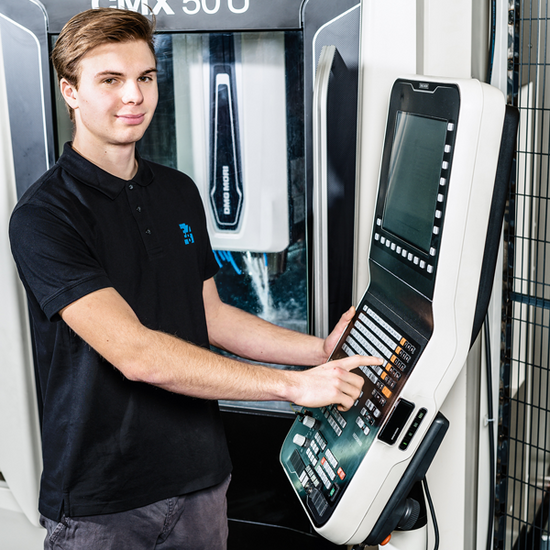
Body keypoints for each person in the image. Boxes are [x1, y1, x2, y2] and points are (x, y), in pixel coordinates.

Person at [8, 7, 381, 550]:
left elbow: (212, 314)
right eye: (109, 80)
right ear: (70, 92)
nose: (133, 96)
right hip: (105, 504)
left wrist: (318, 352)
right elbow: (137, 354)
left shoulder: (178, 191)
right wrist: (291, 385)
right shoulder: (46, 216)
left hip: (202, 483)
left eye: (145, 77)